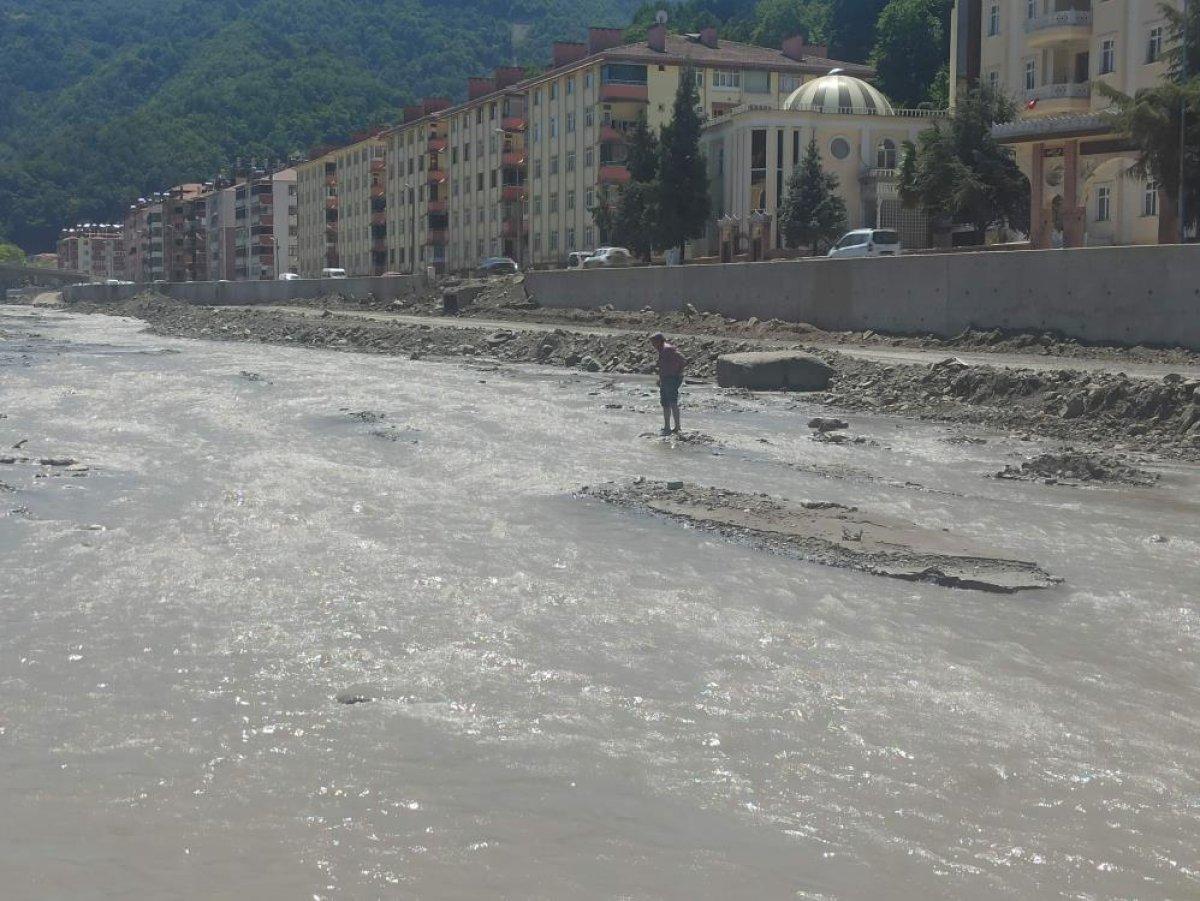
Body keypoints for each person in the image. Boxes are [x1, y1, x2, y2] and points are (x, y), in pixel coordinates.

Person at [650, 332, 686, 435]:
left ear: (659, 341)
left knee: (672, 401)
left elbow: (682, 359)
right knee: (665, 403)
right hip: (665, 378)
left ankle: (677, 427)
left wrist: (678, 373)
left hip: (671, 378)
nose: (652, 345)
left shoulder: (667, 349)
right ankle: (667, 426)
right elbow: (663, 366)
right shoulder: (662, 350)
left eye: (653, 342)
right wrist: (660, 379)